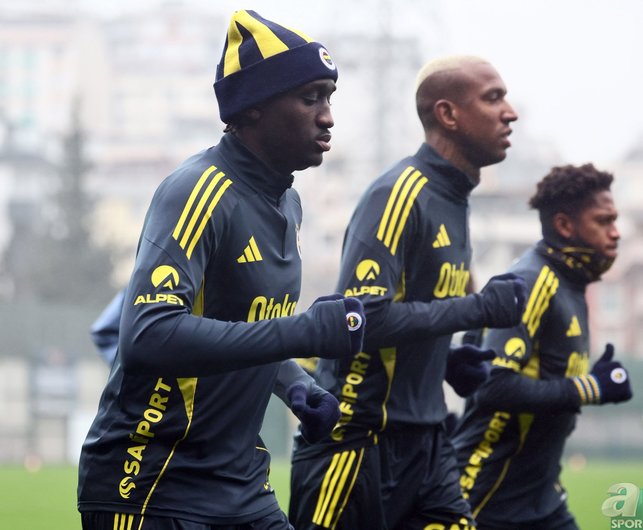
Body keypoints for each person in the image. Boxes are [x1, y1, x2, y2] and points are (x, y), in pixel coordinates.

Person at [77, 10, 365, 530]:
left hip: (241, 484)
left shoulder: (289, 203)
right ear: (254, 105)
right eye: (310, 98)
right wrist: (303, 332)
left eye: (329, 97)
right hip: (152, 487)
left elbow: (242, 326)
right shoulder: (197, 190)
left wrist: (296, 385)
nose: (327, 117)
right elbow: (148, 334)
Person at [289, 55, 528, 530]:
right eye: (493, 98)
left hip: (429, 442)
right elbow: (363, 319)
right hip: (358, 444)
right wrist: (479, 309)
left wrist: (445, 361)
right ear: (448, 114)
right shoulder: (399, 194)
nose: (511, 113)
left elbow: (419, 312)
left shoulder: (455, 198)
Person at [451, 163, 633, 530]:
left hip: (541, 497)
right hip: (487, 495)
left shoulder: (572, 283)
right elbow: (492, 386)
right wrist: (590, 388)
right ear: (565, 226)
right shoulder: (531, 282)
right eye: (603, 221)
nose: (616, 233)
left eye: (615, 221)